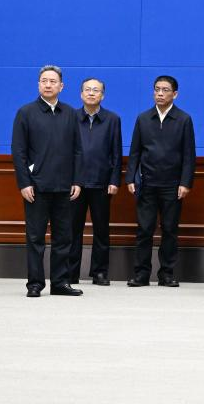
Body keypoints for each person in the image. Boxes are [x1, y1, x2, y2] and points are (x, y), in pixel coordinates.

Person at [11, 65, 83, 297]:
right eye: (44, 81)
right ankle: (35, 284)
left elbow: (78, 151)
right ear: (38, 84)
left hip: (64, 187)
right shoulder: (26, 112)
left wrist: (77, 181)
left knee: (64, 237)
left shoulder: (71, 113)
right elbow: (18, 151)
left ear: (61, 86)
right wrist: (24, 183)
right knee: (35, 238)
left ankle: (60, 283)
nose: (48, 84)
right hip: (36, 187)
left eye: (53, 81)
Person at [126, 75, 196, 288]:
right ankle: (141, 274)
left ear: (175, 94)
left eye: (165, 90)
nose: (160, 93)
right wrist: (130, 177)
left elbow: (188, 155)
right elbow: (135, 151)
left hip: (173, 185)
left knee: (169, 229)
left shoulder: (183, 119)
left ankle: (166, 274)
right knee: (144, 229)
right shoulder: (143, 118)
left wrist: (185, 183)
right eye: (157, 89)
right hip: (147, 184)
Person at [69, 78, 122, 286]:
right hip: (75, 184)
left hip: (102, 183)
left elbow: (116, 152)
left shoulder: (112, 119)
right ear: (81, 94)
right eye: (88, 90)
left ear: (103, 95)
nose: (91, 93)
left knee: (101, 230)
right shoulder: (70, 117)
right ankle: (71, 272)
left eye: (96, 90)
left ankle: (99, 272)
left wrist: (114, 179)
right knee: (73, 230)